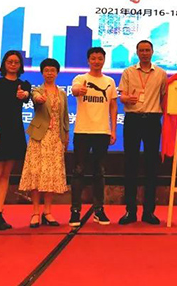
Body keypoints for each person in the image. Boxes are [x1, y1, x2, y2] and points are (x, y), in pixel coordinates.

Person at [117, 40, 167, 225]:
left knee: (151, 166)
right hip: (133, 120)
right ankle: (130, 211)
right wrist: (126, 98)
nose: (144, 53)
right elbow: (121, 95)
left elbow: (164, 96)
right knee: (130, 165)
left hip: (153, 121)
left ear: (152, 52)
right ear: (137, 52)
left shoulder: (161, 73)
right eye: (141, 50)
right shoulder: (128, 72)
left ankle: (148, 212)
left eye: (147, 50)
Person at [70, 47, 117, 227]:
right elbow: (75, 89)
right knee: (78, 171)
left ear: (104, 60)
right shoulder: (80, 78)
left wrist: (113, 130)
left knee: (99, 172)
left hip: (102, 131)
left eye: (100, 58)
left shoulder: (109, 81)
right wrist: (79, 90)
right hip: (82, 131)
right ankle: (75, 211)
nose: (96, 61)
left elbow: (113, 106)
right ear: (88, 60)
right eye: (93, 58)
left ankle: (99, 210)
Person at [19, 58, 69, 228]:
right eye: (46, 70)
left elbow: (64, 116)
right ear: (42, 73)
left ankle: (48, 211)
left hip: (56, 137)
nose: (49, 73)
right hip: (39, 137)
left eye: (52, 70)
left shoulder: (62, 93)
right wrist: (38, 98)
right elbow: (34, 98)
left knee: (51, 176)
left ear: (57, 73)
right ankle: (35, 212)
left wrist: (66, 135)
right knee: (36, 173)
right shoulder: (37, 90)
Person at [0, 50, 31, 230]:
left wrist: (24, 95)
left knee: (6, 174)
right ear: (4, 63)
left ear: (20, 65)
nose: (13, 64)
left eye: (16, 62)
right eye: (9, 61)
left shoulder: (23, 85)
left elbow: (27, 96)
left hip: (15, 131)